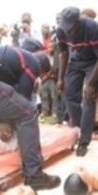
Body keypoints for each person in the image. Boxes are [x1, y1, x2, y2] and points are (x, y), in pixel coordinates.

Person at [0, 45, 61, 191]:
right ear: (41, 69)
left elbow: (5, 99)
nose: (39, 78)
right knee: (29, 114)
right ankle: (35, 175)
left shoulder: (14, 58)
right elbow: (22, 101)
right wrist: (2, 123)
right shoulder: (33, 63)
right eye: (41, 75)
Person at [56, 7, 98, 156]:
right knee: (69, 94)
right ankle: (81, 129)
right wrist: (60, 79)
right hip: (75, 61)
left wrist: (91, 85)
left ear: (79, 21)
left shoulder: (92, 27)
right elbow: (63, 53)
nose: (68, 32)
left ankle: (84, 141)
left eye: (71, 28)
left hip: (93, 61)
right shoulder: (61, 30)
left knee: (88, 97)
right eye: (66, 28)